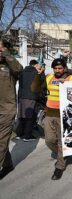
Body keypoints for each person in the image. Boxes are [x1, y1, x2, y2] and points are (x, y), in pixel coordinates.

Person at [32, 58, 72, 180]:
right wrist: (38, 75)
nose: (57, 70)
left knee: (62, 141)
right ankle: (63, 154)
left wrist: (67, 84)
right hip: (50, 113)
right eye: (55, 68)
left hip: (64, 114)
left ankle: (60, 166)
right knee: (49, 140)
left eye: (60, 68)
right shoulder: (48, 77)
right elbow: (34, 89)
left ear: (65, 68)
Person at [0, 38, 23, 180]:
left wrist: (5, 53)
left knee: (1, 140)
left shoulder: (10, 65)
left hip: (6, 110)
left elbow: (19, 70)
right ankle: (7, 164)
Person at [17, 59, 45, 141]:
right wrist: (42, 73)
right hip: (31, 97)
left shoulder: (22, 72)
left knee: (21, 116)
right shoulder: (36, 73)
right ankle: (27, 136)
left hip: (21, 97)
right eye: (39, 66)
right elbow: (42, 84)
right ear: (35, 65)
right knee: (29, 117)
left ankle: (19, 134)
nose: (40, 67)